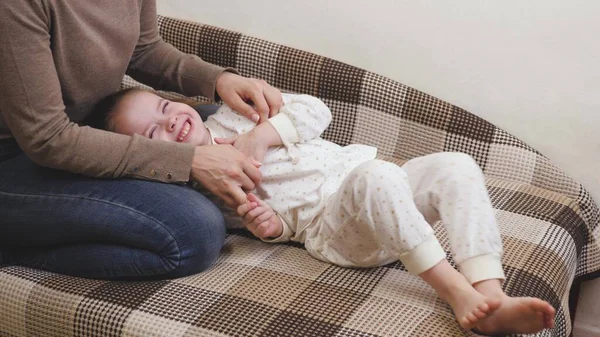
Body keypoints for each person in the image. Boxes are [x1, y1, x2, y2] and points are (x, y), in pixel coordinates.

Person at [102, 87, 556, 335]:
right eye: (152, 133)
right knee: (377, 176)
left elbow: (315, 111)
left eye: (165, 107)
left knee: (455, 165)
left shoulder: (234, 117)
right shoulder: (199, 187)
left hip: (389, 192)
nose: (171, 121)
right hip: (335, 230)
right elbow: (275, 225)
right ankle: (459, 295)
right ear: (146, 158)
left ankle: (492, 295)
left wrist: (262, 136)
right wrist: (272, 227)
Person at [0, 0, 284, 280]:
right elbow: (48, 138)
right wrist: (188, 161)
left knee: (227, 123)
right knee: (195, 229)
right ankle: (10, 249)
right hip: (17, 159)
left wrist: (220, 81)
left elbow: (143, 49)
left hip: (88, 131)